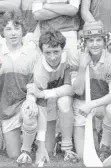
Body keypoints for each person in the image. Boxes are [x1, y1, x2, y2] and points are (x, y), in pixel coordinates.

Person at [0, 12, 45, 165]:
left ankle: (26, 150)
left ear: (22, 30)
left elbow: (35, 83)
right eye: (8, 29)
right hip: (6, 107)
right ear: (2, 32)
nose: (13, 33)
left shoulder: (33, 54)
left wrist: (31, 100)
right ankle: (18, 137)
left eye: (16, 28)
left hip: (25, 101)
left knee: (29, 112)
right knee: (13, 154)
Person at [26, 30, 78, 163]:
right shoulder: (39, 70)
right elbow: (38, 98)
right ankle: (53, 140)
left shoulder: (70, 57)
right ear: (41, 51)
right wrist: (32, 99)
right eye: (47, 52)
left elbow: (71, 89)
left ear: (62, 49)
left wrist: (43, 93)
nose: (53, 57)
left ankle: (67, 146)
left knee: (64, 102)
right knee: (47, 149)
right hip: (46, 102)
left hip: (66, 97)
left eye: (56, 51)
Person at [71, 21, 111, 161]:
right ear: (84, 43)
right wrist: (81, 67)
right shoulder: (76, 57)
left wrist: (91, 105)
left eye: (98, 40)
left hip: (100, 105)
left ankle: (105, 142)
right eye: (90, 40)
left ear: (104, 41)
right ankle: (95, 132)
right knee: (82, 154)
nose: (95, 44)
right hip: (81, 103)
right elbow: (78, 91)